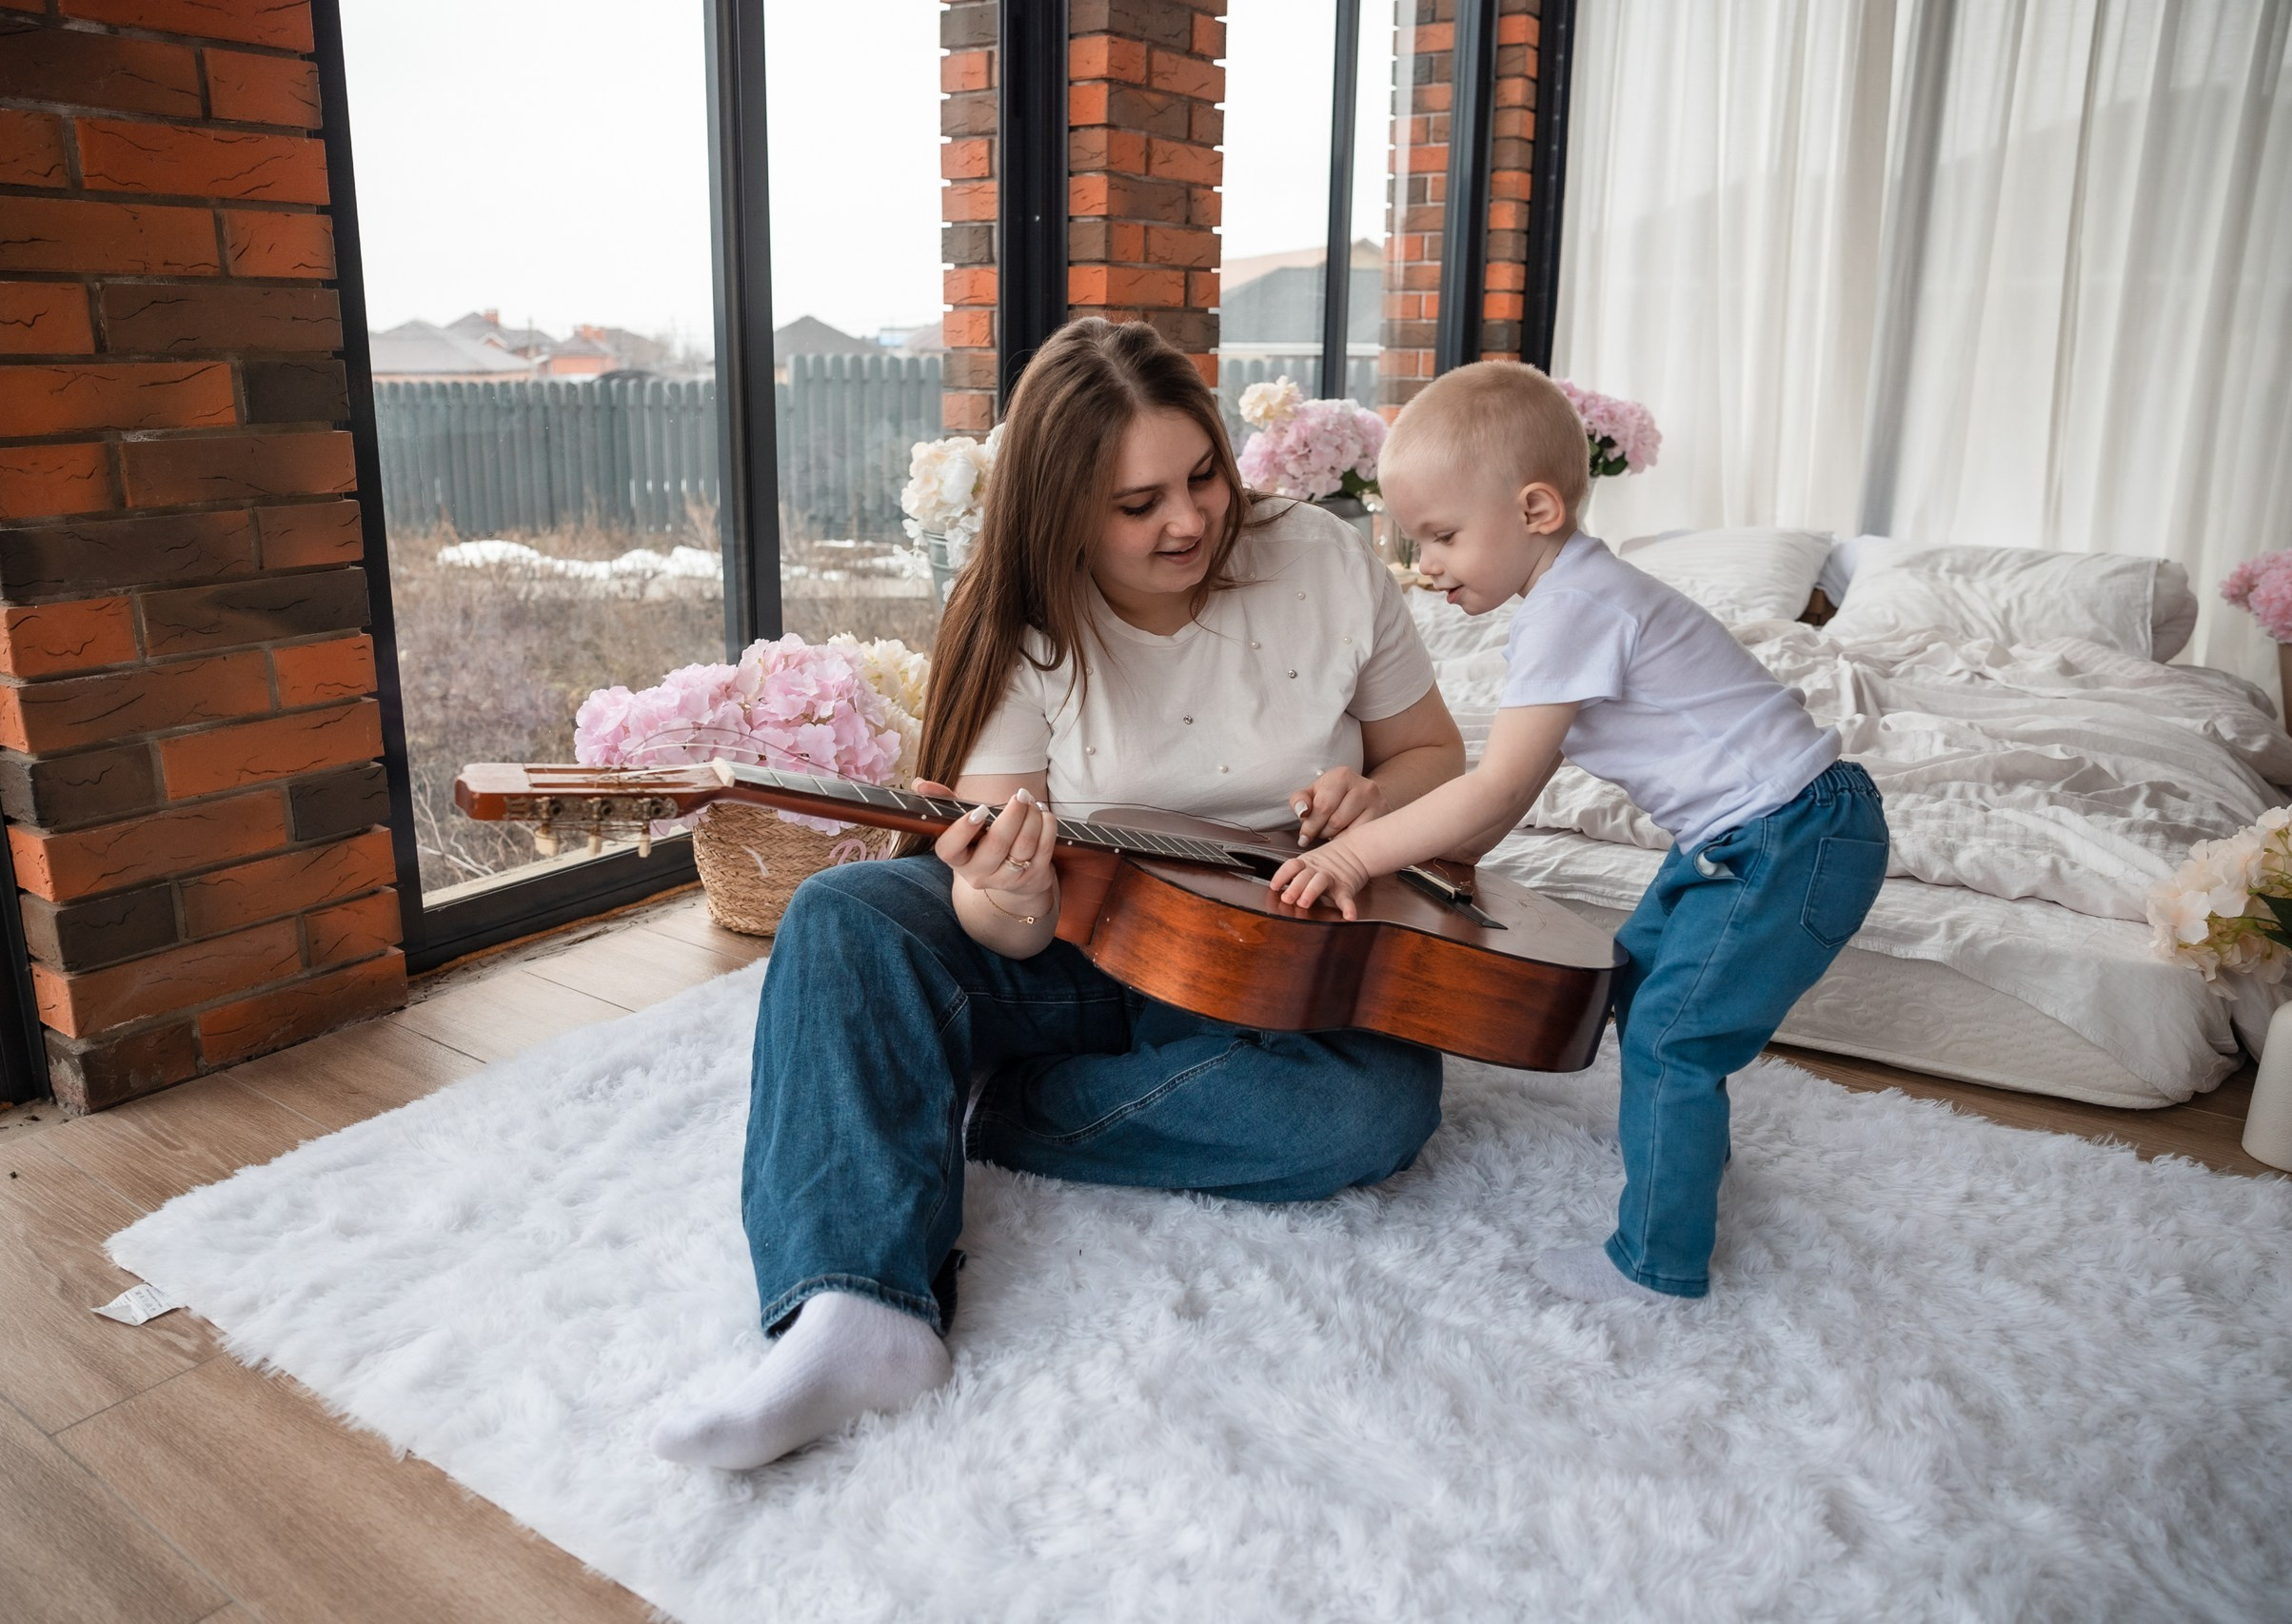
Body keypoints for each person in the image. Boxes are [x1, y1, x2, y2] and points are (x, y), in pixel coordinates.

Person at [651, 318, 1469, 1469]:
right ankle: (857, 1312)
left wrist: (1374, 797)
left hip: (1273, 947)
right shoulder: (1016, 621)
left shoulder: (1324, 560)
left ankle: (1000, 1109)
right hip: (1072, 936)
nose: (1185, 519)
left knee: (1379, 1104)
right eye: (1137, 505)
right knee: (845, 919)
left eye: (1201, 478)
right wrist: (1006, 890)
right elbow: (1005, 925)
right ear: (1063, 508)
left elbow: (1435, 756)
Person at [1271, 361, 1888, 1305]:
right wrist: (1444, 853)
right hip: (1747, 835)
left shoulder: (1570, 609)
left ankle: (1656, 1263)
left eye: (1441, 535)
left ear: (1536, 510)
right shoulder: (1578, 597)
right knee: (1640, 980)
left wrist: (1354, 851)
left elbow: (1496, 785)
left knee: (1675, 1039)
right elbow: (1512, 784)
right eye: (1414, 539)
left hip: (1784, 836)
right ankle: (1681, 1146)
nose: (1425, 564)